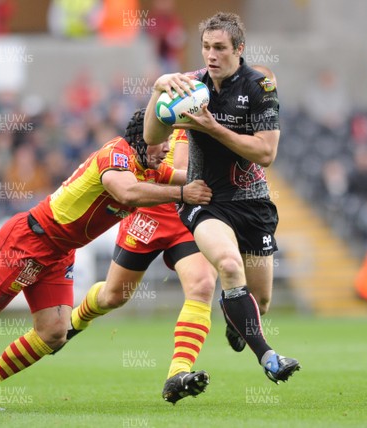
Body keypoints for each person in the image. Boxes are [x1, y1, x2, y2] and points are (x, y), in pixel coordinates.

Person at [0, 109, 212, 410]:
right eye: (162, 140)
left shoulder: (149, 168)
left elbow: (189, 177)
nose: (168, 148)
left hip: (59, 251)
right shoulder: (116, 154)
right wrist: (183, 193)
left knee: (53, 333)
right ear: (143, 139)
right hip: (30, 239)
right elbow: (127, 192)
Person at [143, 12, 300, 384]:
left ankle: (239, 321)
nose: (210, 56)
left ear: (238, 49)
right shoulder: (191, 86)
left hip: (253, 202)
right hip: (206, 200)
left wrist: (213, 127)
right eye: (205, 47)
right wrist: (158, 90)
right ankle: (269, 358)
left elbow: (265, 153)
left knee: (260, 302)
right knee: (229, 267)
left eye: (219, 48)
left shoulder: (260, 86)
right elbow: (152, 136)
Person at [67, 129, 217, 404]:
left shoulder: (229, 112)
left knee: (203, 284)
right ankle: (75, 320)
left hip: (187, 215)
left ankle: (178, 373)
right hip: (149, 212)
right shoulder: (178, 109)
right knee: (113, 297)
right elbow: (181, 169)